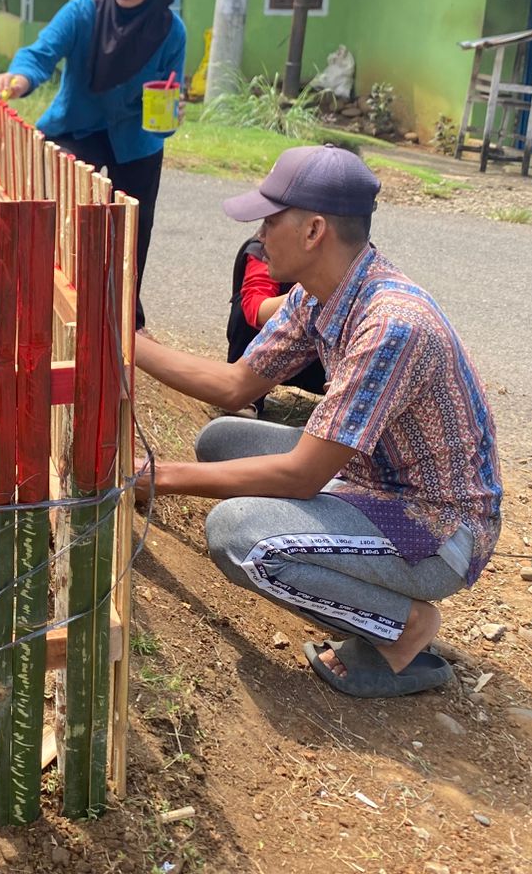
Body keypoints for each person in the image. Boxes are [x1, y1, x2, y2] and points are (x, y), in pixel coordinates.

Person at [133, 145, 502, 698]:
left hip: (435, 529)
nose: (259, 237)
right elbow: (237, 386)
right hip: (375, 482)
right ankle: (375, 600)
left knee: (236, 534)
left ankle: (404, 626)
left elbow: (299, 476)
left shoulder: (391, 326)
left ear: (313, 231)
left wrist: (151, 477)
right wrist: (129, 342)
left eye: (270, 219)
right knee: (221, 439)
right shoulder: (320, 295)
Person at [0, 0, 185, 327]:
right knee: (58, 208)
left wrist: (169, 118)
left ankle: (120, 315)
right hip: (76, 127)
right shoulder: (85, 10)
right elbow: (41, 53)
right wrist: (20, 78)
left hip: (136, 141)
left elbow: (166, 102)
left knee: (132, 226)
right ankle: (47, 298)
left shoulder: (172, 32)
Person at [226, 235, 326, 415]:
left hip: (323, 366)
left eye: (271, 221)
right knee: (243, 306)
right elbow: (255, 309)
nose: (263, 231)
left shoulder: (356, 262)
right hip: (267, 360)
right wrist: (310, 296)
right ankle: (247, 398)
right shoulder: (266, 248)